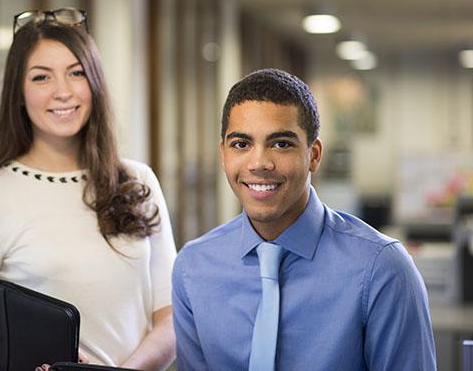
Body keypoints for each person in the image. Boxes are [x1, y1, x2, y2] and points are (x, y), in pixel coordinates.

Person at [0, 7, 177, 371]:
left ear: (94, 82)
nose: (63, 92)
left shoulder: (138, 180)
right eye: (41, 77)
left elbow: (171, 318)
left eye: (76, 73)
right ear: (18, 93)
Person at [172, 68, 436, 370]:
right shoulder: (193, 268)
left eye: (281, 143)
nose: (259, 163)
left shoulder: (382, 270)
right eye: (241, 144)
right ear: (223, 154)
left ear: (314, 154)